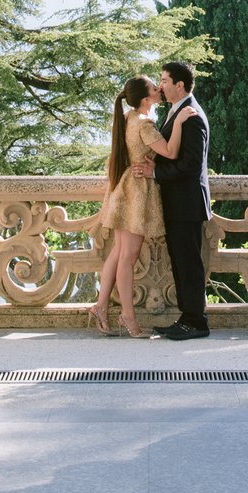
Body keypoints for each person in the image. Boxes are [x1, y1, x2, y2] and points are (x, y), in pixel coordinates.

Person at [91, 75, 195, 336]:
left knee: (118, 254)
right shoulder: (144, 123)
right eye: (154, 87)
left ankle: (101, 306)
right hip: (136, 193)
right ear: (146, 99)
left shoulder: (127, 118)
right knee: (128, 256)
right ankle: (128, 317)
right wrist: (181, 121)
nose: (159, 88)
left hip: (124, 188)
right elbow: (170, 152)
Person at [135, 61, 211, 340]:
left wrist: (155, 172)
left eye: (165, 80)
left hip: (187, 204)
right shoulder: (177, 112)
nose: (160, 85)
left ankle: (196, 322)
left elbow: (191, 166)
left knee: (189, 264)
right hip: (180, 203)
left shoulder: (192, 116)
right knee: (181, 262)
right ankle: (189, 318)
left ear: (180, 85)